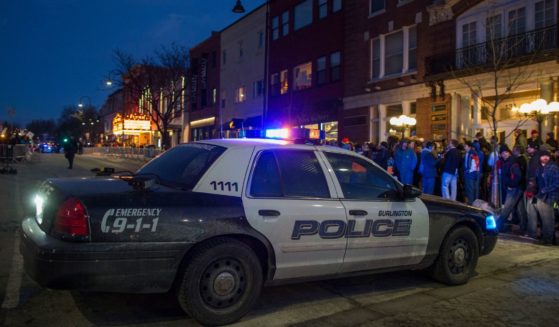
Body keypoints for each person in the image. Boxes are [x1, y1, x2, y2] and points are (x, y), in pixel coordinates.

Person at [497, 146, 527, 232]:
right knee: (520, 209)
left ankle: (498, 226)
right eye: (502, 153)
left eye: (505, 152)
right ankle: (524, 227)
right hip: (518, 187)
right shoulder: (507, 161)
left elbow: (518, 175)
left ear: (509, 152)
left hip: (514, 188)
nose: (504, 155)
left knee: (507, 208)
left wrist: (511, 184)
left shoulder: (512, 162)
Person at [532, 151, 559, 245]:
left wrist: (545, 190)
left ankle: (548, 240)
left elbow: (557, 183)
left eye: (547, 156)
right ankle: (547, 239)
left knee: (548, 220)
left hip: (550, 197)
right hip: (540, 197)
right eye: (543, 156)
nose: (545, 158)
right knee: (544, 220)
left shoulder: (553, 167)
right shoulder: (539, 168)